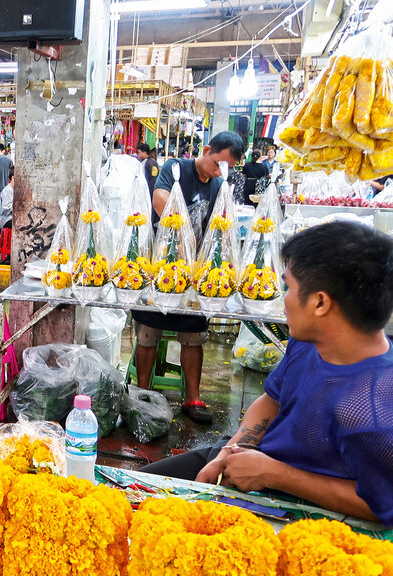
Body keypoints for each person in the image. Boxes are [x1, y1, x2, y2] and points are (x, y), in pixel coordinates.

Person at [142, 221, 393, 526]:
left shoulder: (371, 408)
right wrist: (235, 449)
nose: (281, 298)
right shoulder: (309, 341)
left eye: (288, 287)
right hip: (243, 461)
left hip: (293, 504)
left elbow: (379, 505)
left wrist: (273, 473)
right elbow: (271, 401)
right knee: (123, 493)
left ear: (320, 302)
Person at [132, 131, 246, 424]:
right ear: (207, 150)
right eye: (217, 163)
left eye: (225, 168)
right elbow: (159, 200)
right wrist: (181, 235)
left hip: (195, 274)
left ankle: (192, 397)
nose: (219, 171)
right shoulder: (176, 169)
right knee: (148, 330)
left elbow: (220, 225)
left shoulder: (219, 185)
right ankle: (142, 393)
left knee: (195, 335)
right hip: (163, 267)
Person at [0, 166, 15, 263]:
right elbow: (5, 208)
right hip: (7, 219)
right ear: (13, 178)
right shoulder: (8, 190)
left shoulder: (13, 190)